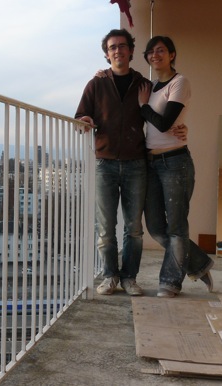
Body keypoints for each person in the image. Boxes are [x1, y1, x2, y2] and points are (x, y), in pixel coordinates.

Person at [138, 35, 214, 298]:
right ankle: (199, 263)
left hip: (175, 162)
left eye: (161, 50)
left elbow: (163, 123)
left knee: (176, 226)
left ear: (172, 55)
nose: (155, 55)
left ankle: (170, 282)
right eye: (151, 52)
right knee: (156, 227)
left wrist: (143, 106)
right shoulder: (150, 87)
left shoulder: (179, 82)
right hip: (151, 163)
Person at [75, 29, 149, 296]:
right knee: (105, 228)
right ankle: (110, 277)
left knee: (134, 228)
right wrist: (84, 121)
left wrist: (178, 127)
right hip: (104, 163)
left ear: (131, 50)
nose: (117, 50)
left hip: (136, 163)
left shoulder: (143, 84)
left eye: (122, 46)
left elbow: (157, 116)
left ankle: (129, 278)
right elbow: (80, 116)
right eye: (112, 47)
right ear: (107, 54)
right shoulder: (96, 84)